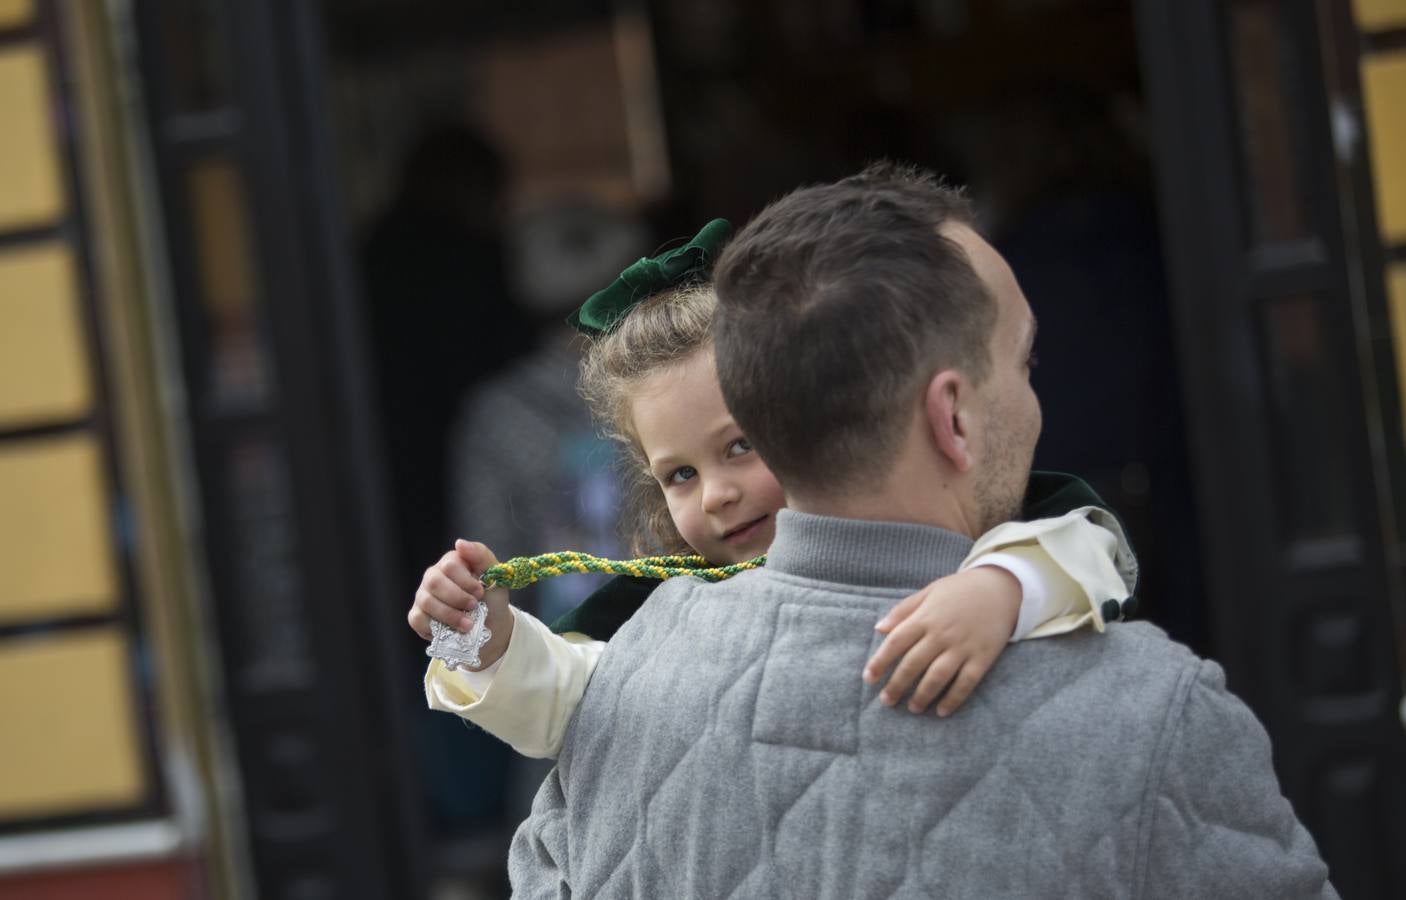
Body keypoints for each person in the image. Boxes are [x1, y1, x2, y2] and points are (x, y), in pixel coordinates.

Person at [505, 163, 1336, 898]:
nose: (1034, 398)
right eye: (1019, 364)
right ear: (952, 415)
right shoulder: (1158, 718)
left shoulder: (614, 692)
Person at [411, 220, 1137, 759]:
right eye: (681, 475)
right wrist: (487, 639)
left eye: (740, 446)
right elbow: (570, 694)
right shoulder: (664, 615)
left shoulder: (939, 535)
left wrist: (1000, 589)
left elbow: (1092, 549)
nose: (719, 493)